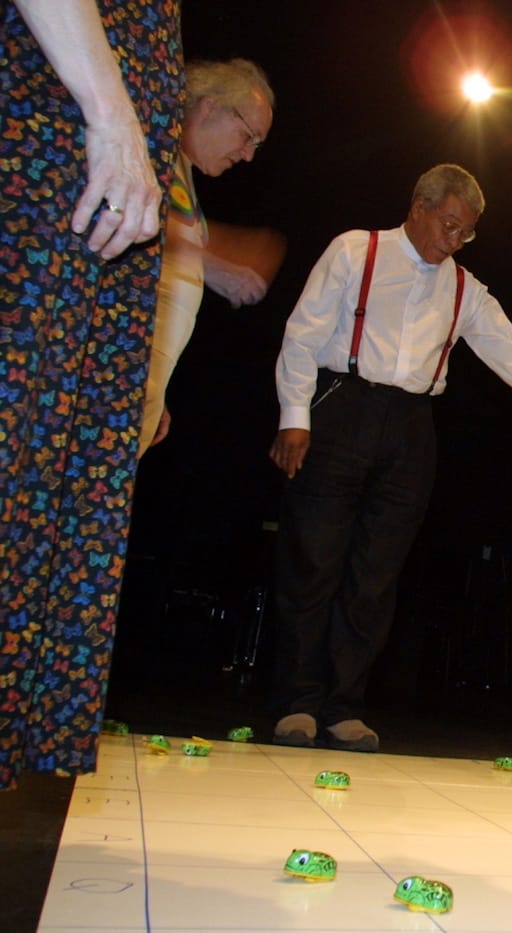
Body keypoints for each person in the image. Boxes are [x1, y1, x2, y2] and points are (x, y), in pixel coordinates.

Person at [268, 163, 512, 753]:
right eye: (449, 225)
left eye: (466, 233)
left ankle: (343, 707)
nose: (455, 241)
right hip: (340, 406)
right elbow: (302, 335)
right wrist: (294, 417)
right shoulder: (354, 251)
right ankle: (296, 703)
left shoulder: (465, 290)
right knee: (313, 560)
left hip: (410, 427)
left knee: (376, 575)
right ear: (418, 206)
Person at [0, 0, 183, 792]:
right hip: (45, 150)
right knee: (18, 460)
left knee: (49, 486)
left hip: (88, 193)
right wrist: (112, 117)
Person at [138, 58, 277, 455]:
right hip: (110, 378)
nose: (249, 155)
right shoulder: (152, 144)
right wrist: (213, 260)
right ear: (210, 105)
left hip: (141, 381)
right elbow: (128, 224)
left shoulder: (181, 171)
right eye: (248, 136)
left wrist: (158, 387)